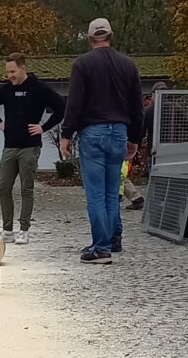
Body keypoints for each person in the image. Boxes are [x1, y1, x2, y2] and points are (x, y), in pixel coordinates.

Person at [60, 18, 143, 264]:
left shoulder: (82, 64)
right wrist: (135, 138)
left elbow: (74, 103)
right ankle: (113, 237)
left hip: (92, 133)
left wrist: (66, 134)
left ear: (89, 39)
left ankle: (101, 247)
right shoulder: (128, 65)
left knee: (95, 194)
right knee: (111, 192)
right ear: (111, 35)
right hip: (119, 132)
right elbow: (137, 107)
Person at [0, 53, 67, 243]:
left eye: (13, 71)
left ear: (22, 68)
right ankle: (7, 230)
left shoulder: (39, 88)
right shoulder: (6, 90)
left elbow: (60, 106)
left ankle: (24, 229)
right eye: (7, 72)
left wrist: (43, 127)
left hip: (29, 147)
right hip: (10, 146)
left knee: (26, 188)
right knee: (3, 187)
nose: (10, 75)